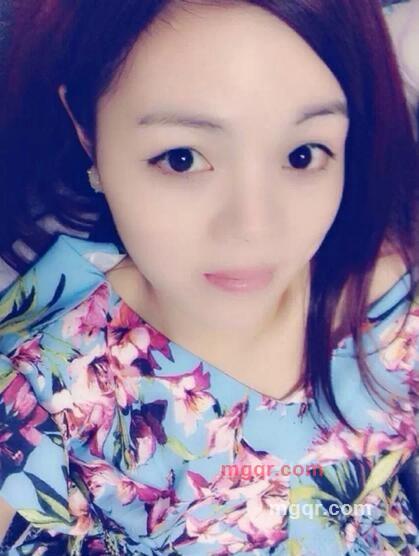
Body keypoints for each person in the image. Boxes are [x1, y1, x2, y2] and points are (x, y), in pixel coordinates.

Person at [0, 0, 418, 554]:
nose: (254, 230)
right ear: (87, 132)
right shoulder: (41, 385)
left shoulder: (393, 304)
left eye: (302, 154)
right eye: (181, 158)